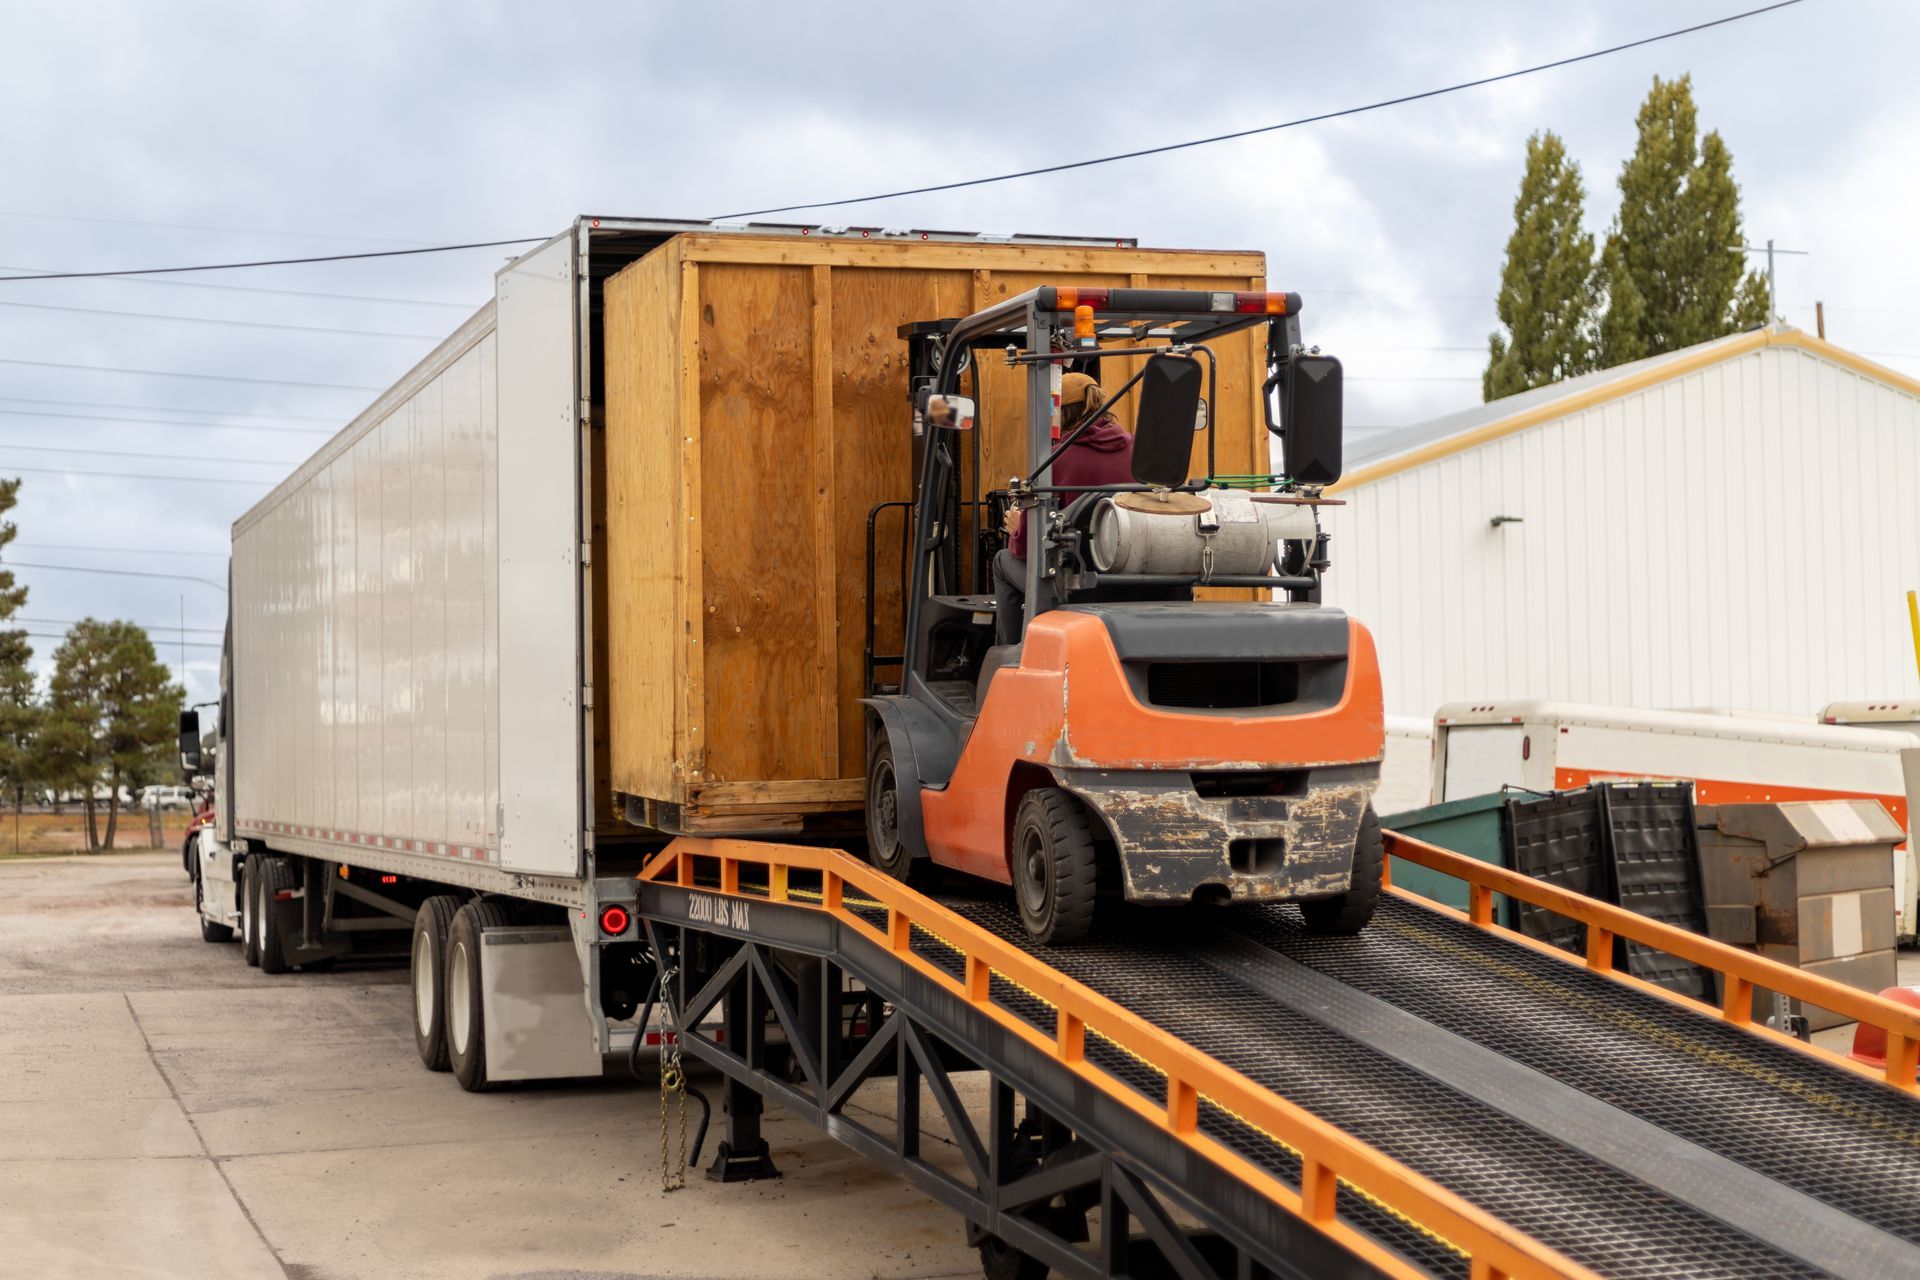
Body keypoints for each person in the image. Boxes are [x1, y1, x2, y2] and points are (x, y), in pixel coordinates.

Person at [991, 372, 1134, 646]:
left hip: (1076, 579)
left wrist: (1017, 528)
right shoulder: (1136, 449)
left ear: (1059, 414)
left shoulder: (1057, 460)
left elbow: (1026, 548)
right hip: (1128, 572)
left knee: (1002, 561)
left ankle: (1011, 656)